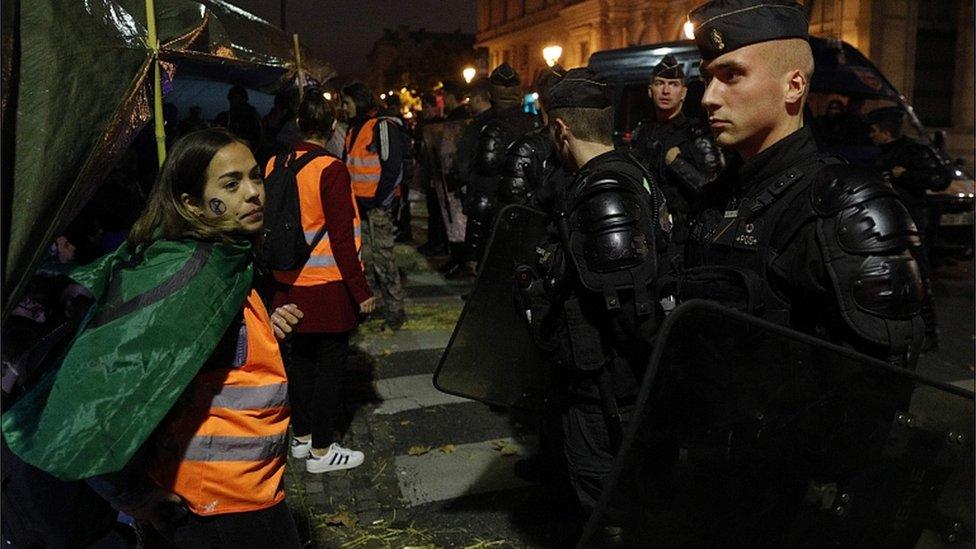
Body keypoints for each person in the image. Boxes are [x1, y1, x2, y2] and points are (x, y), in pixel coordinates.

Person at [2, 129, 304, 547]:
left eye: (256, 177)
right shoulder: (192, 273)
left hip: (247, 494)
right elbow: (100, 395)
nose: (254, 193)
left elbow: (204, 359)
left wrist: (262, 331)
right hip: (215, 510)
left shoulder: (227, 259)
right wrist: (130, 495)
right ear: (190, 203)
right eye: (231, 184)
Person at [683, 0, 925, 366]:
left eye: (732, 76)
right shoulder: (719, 195)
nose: (709, 98)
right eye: (707, 78)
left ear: (794, 86)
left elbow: (875, 387)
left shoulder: (845, 208)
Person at [516, 68, 668, 536]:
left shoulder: (603, 191)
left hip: (608, 388)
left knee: (608, 509)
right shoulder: (624, 170)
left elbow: (629, 311)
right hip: (608, 382)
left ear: (560, 128)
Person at [266, 89, 377, 473]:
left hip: (286, 283)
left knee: (298, 364)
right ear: (331, 125)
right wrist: (360, 291)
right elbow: (343, 238)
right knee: (330, 368)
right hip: (326, 286)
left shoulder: (273, 164)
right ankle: (322, 450)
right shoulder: (331, 168)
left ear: (298, 122)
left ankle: (300, 437)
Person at [866, 106, 951, 350]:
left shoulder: (915, 151)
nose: (870, 135)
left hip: (911, 223)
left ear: (885, 131)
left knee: (918, 275)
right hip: (886, 222)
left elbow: (941, 179)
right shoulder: (879, 153)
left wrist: (907, 175)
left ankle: (928, 334)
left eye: (874, 130)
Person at [630, 55, 723, 257]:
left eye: (673, 85)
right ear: (649, 90)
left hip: (683, 238)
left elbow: (714, 189)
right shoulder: (641, 132)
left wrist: (678, 164)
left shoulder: (697, 134)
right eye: (659, 83)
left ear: (683, 92)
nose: (665, 90)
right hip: (647, 234)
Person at [461, 63, 542, 273]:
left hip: (498, 214)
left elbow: (483, 185)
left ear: (491, 94)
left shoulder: (486, 126)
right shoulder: (534, 123)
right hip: (531, 210)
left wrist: (472, 253)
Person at [341, 82, 407, 329]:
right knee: (366, 259)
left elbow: (392, 167)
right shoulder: (353, 129)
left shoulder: (381, 127)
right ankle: (373, 305)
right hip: (360, 205)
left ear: (357, 101)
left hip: (377, 206)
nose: (343, 108)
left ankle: (395, 309)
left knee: (385, 259)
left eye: (346, 103)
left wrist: (381, 200)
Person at [215, 85, 263, 152]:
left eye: (235, 98)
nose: (231, 101)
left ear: (243, 99)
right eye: (231, 98)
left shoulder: (249, 117)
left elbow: (247, 140)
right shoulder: (252, 115)